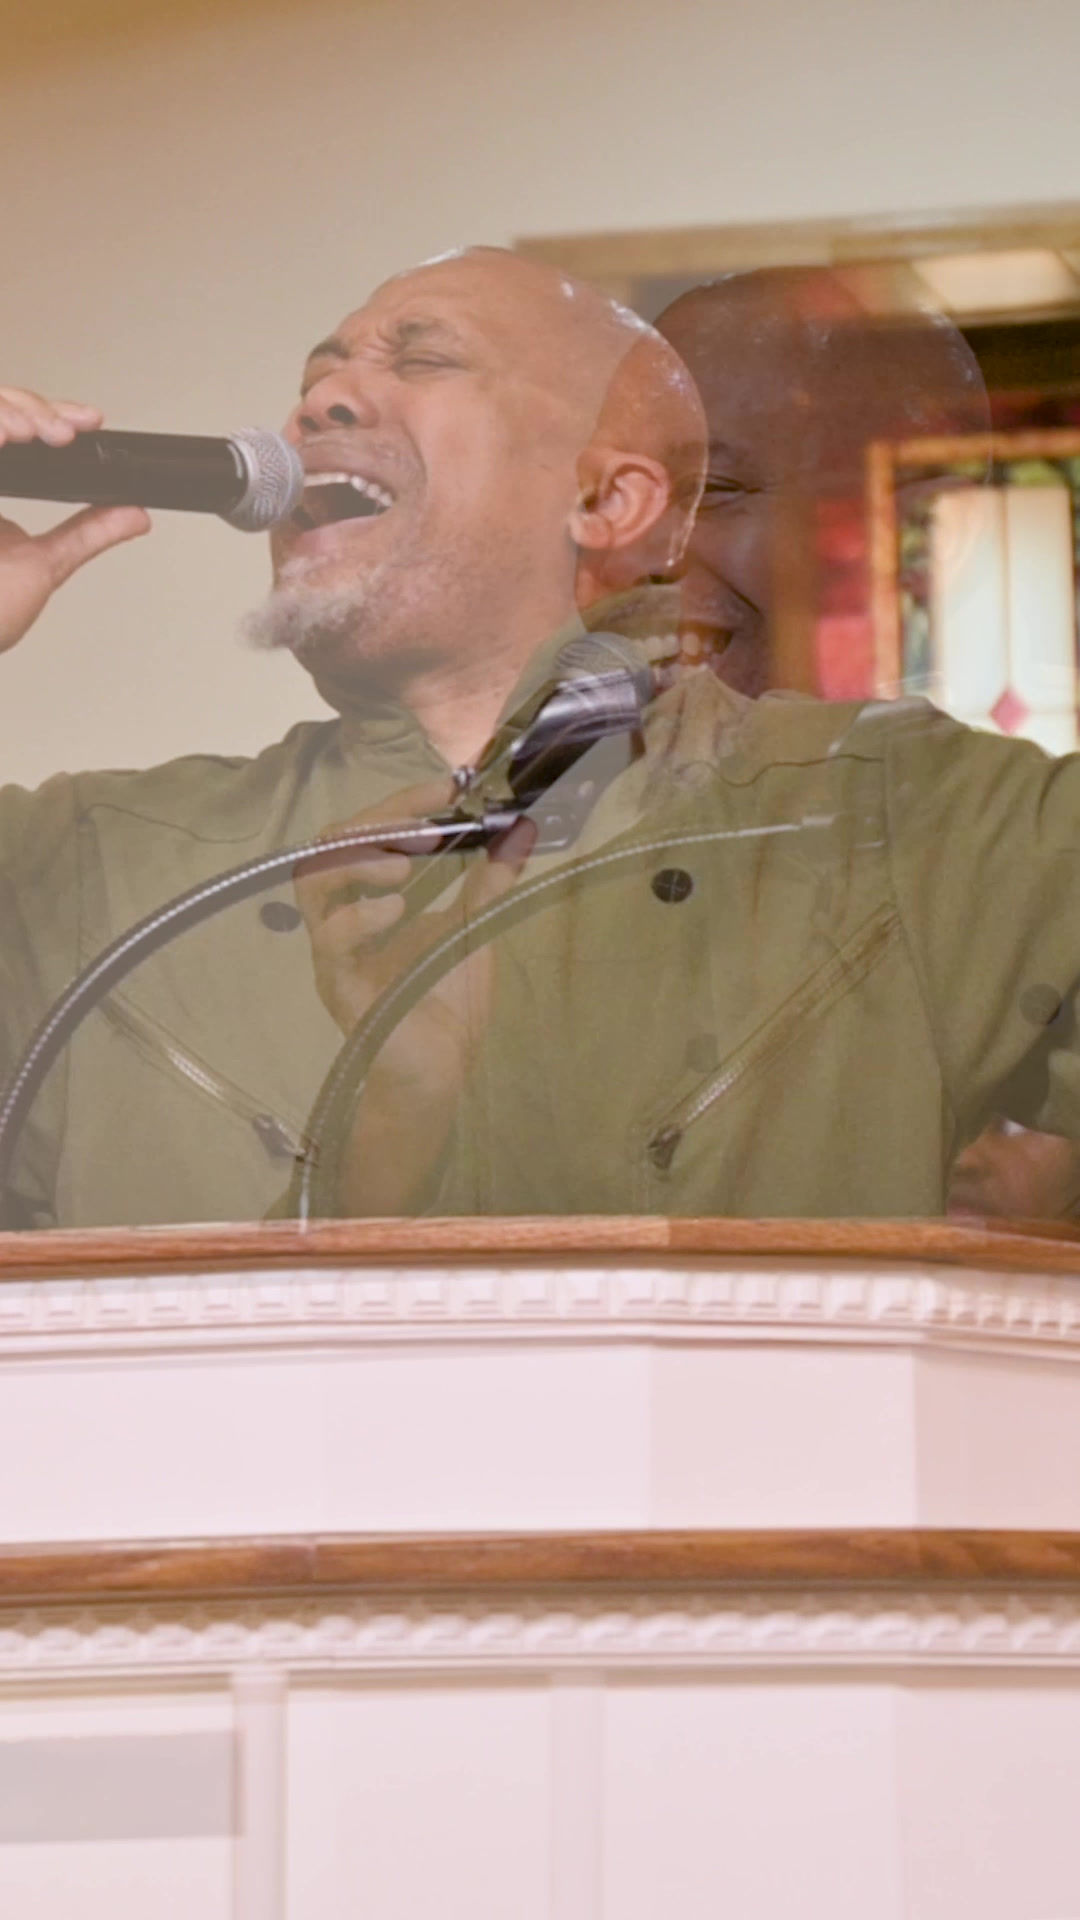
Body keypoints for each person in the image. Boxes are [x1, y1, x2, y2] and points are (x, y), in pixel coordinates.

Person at [0, 248, 704, 1226]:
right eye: (315, 377)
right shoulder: (76, 862)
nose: (318, 403)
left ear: (602, 500)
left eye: (424, 360)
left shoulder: (859, 810)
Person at [654, 267, 1080, 1221]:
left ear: (913, 522)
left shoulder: (1008, 852)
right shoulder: (521, 839)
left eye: (716, 490)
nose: (649, 555)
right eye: (613, 498)